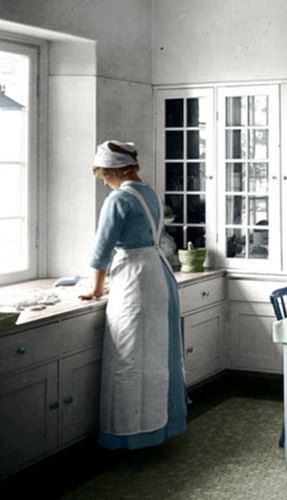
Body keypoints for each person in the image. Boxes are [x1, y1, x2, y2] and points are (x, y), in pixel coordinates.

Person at [80, 140, 187, 449]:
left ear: (117, 170)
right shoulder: (150, 193)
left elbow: (101, 250)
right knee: (155, 355)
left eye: (104, 175)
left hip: (134, 280)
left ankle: (130, 433)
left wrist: (97, 288)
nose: (103, 181)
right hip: (156, 274)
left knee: (127, 357)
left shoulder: (118, 200)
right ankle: (157, 426)